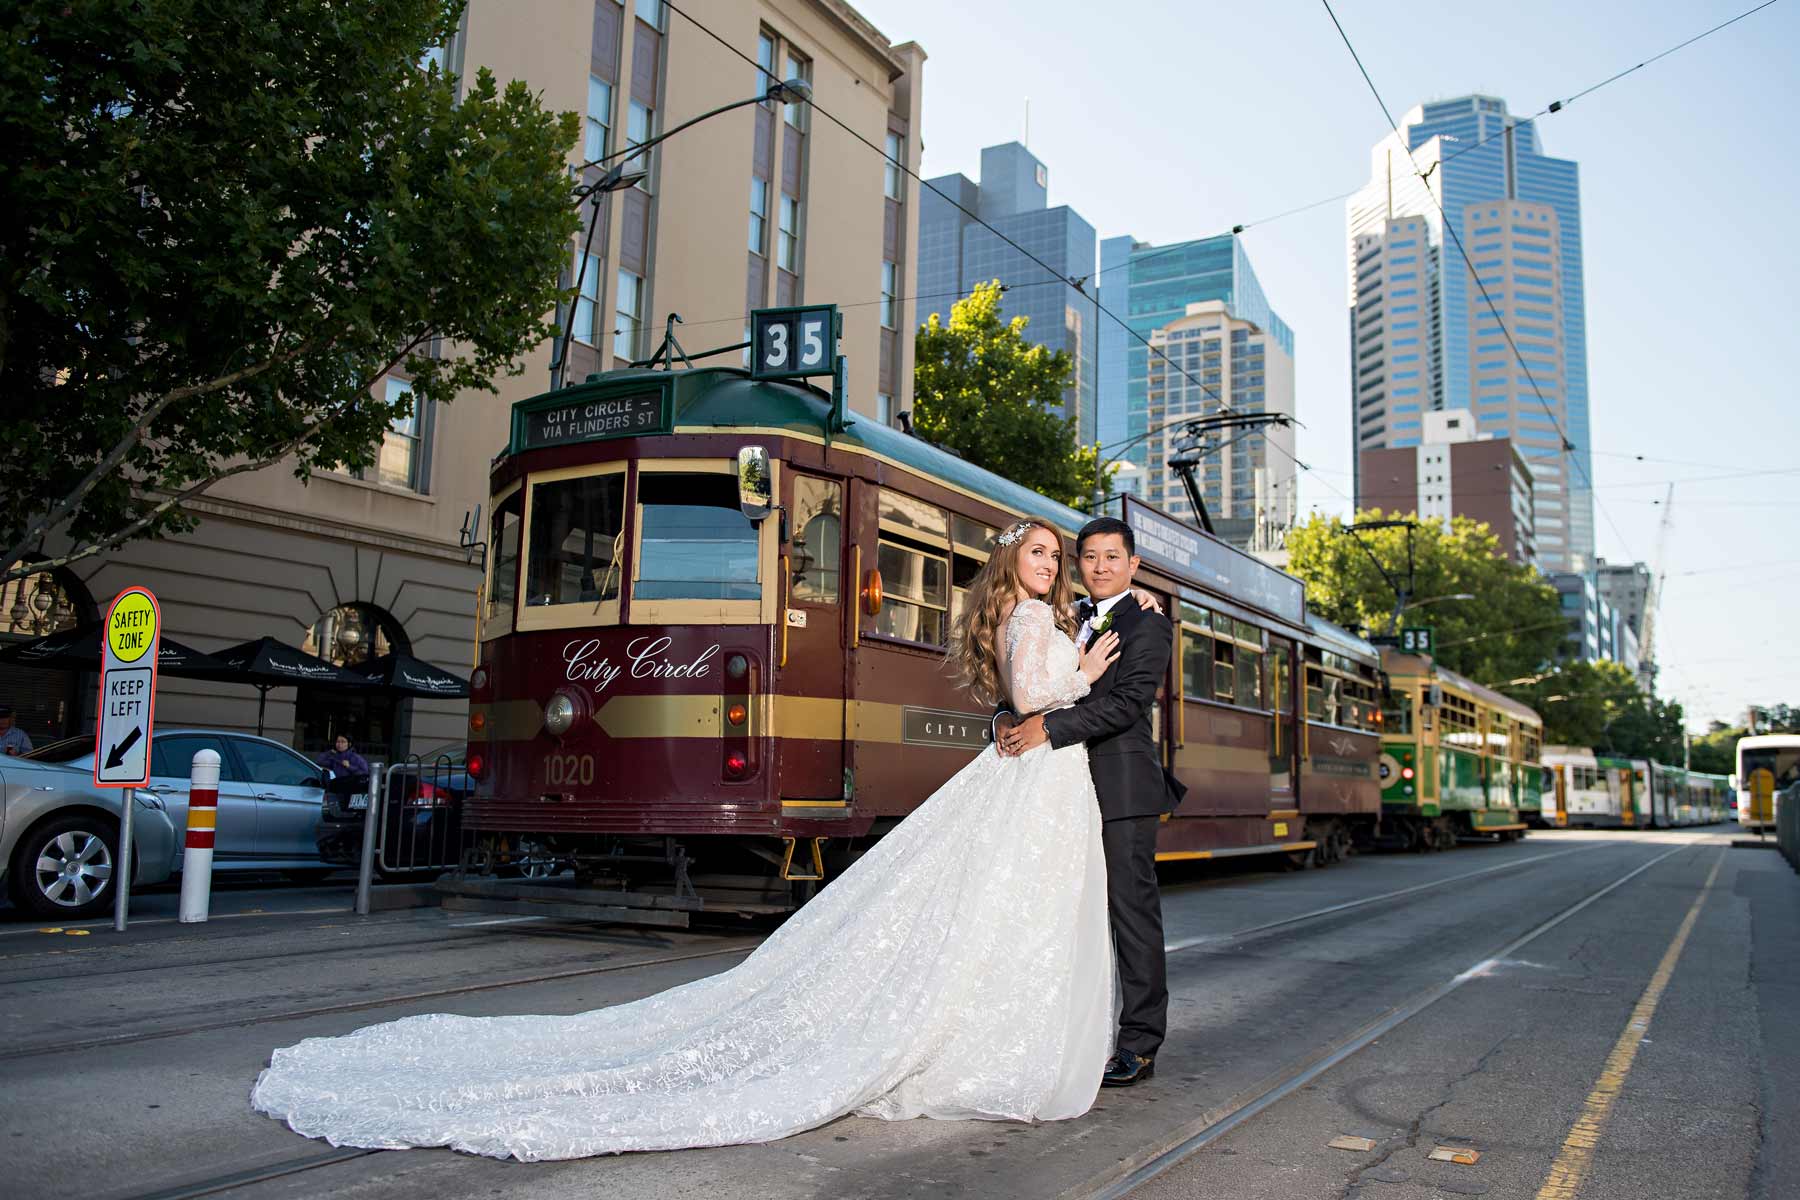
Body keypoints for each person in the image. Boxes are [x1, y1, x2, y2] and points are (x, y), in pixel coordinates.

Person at [252, 517, 1126, 1160]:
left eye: (1057, 556)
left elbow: (1025, 698)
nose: (1051, 566)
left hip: (1041, 778)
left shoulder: (1038, 616)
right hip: (1039, 772)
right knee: (1016, 910)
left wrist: (1080, 655)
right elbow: (1031, 695)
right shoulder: (1028, 621)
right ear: (1011, 563)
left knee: (1013, 910)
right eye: (1040, 554)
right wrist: (1083, 673)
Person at [994, 516, 1185, 1088]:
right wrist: (1004, 717)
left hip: (1121, 787)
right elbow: (1026, 680)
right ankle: (1066, 1036)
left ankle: (1139, 1044)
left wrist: (1048, 729)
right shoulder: (1061, 614)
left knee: (1131, 913)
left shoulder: (1149, 623)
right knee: (1061, 913)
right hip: (1057, 788)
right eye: (1091, 557)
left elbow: (1128, 703)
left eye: (1113, 557)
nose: (1101, 567)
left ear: (1133, 565)